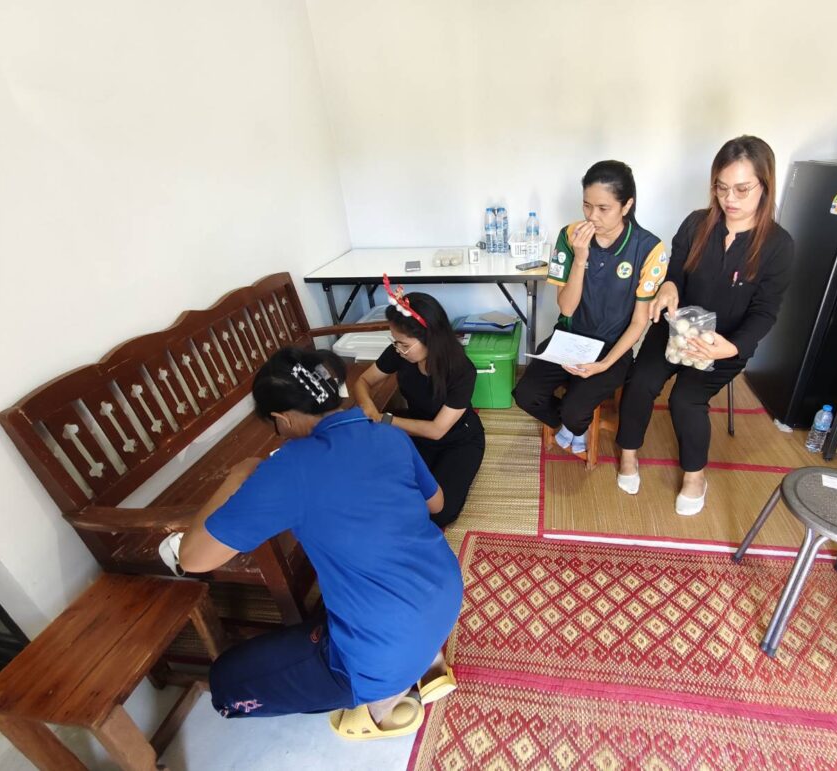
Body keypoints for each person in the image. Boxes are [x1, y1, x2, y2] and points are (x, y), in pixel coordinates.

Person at [163, 346, 463, 740]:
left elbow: (193, 558)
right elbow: (436, 503)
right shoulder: (388, 434)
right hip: (443, 593)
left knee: (225, 681)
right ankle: (427, 660)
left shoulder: (288, 468)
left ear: (282, 418)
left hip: (383, 649)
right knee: (366, 598)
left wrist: (238, 475)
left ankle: (382, 704)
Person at [615, 135, 794, 515]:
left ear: (765, 186)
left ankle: (695, 477)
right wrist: (668, 288)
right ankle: (628, 453)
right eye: (721, 187)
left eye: (742, 189)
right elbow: (675, 273)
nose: (730, 199)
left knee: (686, 399)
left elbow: (765, 312)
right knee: (641, 380)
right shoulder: (697, 223)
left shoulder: (779, 245)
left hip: (724, 342)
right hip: (677, 326)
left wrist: (732, 347)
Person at [512, 160, 666, 453]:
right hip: (569, 338)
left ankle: (574, 423)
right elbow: (567, 309)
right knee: (525, 395)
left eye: (603, 208)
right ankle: (570, 424)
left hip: (613, 347)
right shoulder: (570, 236)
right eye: (586, 205)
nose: (592, 216)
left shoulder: (649, 248)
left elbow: (639, 322)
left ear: (627, 205)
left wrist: (605, 364)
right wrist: (580, 258)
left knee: (575, 410)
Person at [353, 281, 484, 528]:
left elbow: (437, 430)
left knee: (440, 513)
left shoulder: (461, 370)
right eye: (395, 341)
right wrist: (368, 406)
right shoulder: (399, 352)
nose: (398, 349)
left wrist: (384, 419)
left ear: (430, 338)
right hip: (415, 432)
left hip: (458, 439)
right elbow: (363, 381)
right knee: (388, 492)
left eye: (404, 344)